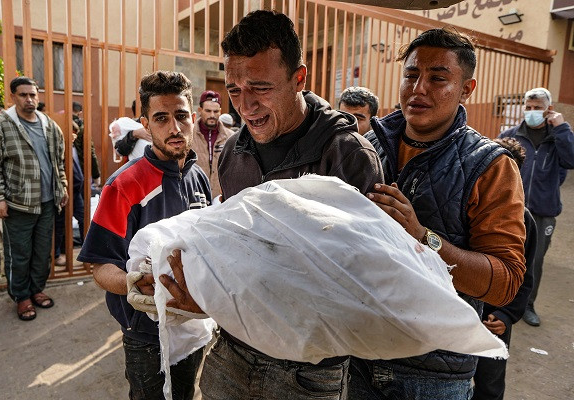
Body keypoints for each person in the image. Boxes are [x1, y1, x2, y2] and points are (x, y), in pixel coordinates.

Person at [158, 10, 384, 399]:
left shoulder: (347, 156)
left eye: (261, 87)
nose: (246, 107)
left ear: (299, 77)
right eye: (234, 90)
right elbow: (233, 250)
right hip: (231, 353)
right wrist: (204, 291)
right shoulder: (233, 153)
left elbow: (366, 279)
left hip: (308, 369)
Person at [353, 27, 526, 399]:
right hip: (354, 355)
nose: (418, 88)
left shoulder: (491, 166)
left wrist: (421, 236)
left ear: (467, 89)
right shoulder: (369, 146)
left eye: (438, 78)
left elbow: (505, 281)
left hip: (432, 374)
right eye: (412, 75)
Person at [77, 71, 213, 400]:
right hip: (146, 334)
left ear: (193, 118)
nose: (174, 127)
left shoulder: (199, 178)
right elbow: (99, 265)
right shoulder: (123, 185)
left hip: (193, 323)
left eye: (181, 116)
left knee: (184, 394)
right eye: (161, 118)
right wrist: (132, 282)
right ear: (146, 124)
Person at [0, 76, 68, 321]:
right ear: (13, 97)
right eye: (23, 95)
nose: (29, 99)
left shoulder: (49, 125)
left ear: (38, 96)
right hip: (18, 203)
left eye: (33, 95)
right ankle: (22, 296)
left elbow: (58, 161)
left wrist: (62, 187)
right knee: (19, 254)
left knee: (42, 252)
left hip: (47, 202)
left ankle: (36, 290)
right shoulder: (2, 125)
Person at [499, 87, 574, 326]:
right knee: (505, 254)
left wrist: (562, 128)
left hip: (543, 212)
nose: (531, 112)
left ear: (548, 110)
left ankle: (527, 305)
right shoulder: (511, 135)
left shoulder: (558, 137)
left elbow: (570, 162)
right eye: (528, 108)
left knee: (535, 261)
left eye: (537, 108)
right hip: (512, 210)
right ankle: (501, 302)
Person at [472, 137, 536, 400]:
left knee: (489, 384)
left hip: (493, 321)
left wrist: (506, 315)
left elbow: (525, 275)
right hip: (461, 312)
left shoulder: (524, 220)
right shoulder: (465, 206)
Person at [54, 120, 85, 267]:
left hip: (76, 191)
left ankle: (87, 252)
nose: (74, 136)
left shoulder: (74, 146)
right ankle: (56, 255)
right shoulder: (60, 146)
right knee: (60, 224)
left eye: (76, 133)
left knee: (84, 219)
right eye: (72, 132)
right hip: (64, 191)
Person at [193, 90, 234, 199]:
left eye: (216, 111)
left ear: (220, 111)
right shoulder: (188, 135)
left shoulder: (231, 137)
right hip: (194, 195)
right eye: (208, 111)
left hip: (220, 198)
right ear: (200, 110)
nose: (212, 115)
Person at [72, 101, 101, 187]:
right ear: (80, 112)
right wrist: (96, 175)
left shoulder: (60, 123)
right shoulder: (83, 127)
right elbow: (90, 152)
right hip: (80, 170)